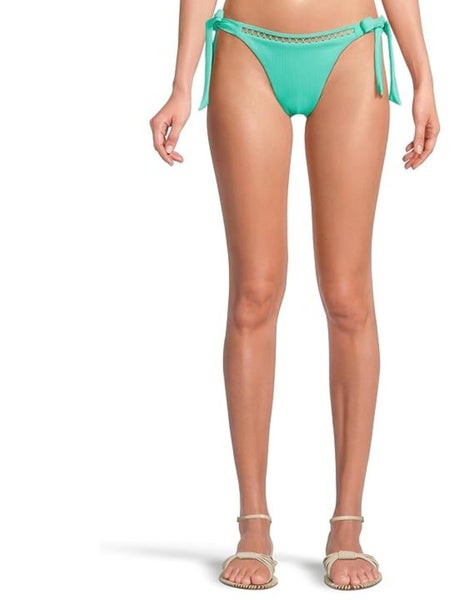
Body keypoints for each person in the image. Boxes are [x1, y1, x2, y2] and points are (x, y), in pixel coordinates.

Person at [149, 0, 439, 590]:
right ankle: (253, 524)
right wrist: (181, 82)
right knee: (254, 293)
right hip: (246, 47)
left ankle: (347, 524)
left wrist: (423, 76)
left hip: (351, 48)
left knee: (348, 296)